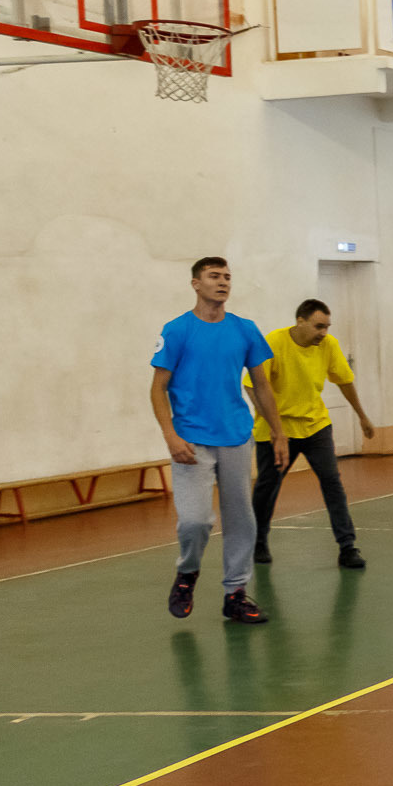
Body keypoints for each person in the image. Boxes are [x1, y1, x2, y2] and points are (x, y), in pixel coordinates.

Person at [150, 256, 288, 624]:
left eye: (227, 276)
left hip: (237, 437)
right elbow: (157, 388)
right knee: (195, 520)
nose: (223, 282)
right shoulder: (178, 330)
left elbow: (261, 384)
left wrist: (278, 432)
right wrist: (170, 435)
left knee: (241, 518)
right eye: (214, 276)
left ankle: (236, 593)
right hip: (192, 440)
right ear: (196, 284)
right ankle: (188, 573)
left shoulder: (244, 329)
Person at [250, 299, 376, 570]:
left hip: (315, 426)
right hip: (277, 429)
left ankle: (347, 547)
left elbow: (344, 380)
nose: (324, 332)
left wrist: (362, 416)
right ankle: (258, 540)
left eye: (327, 327)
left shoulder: (328, 346)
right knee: (267, 487)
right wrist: (275, 428)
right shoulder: (274, 342)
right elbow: (252, 386)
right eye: (319, 326)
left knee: (332, 483)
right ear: (300, 321)